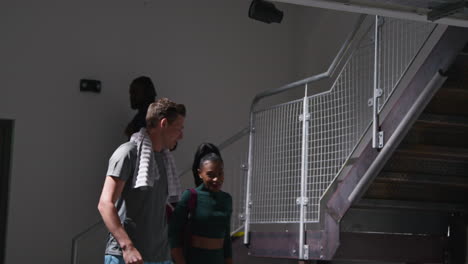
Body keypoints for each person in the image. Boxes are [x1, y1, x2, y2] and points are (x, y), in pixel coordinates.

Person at [98, 98, 186, 264]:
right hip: (127, 256)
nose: (181, 135)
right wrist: (127, 247)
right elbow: (105, 204)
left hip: (160, 256)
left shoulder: (166, 160)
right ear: (164, 123)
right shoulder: (127, 153)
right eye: (179, 129)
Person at [169, 143, 233, 264]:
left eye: (220, 173)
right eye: (210, 174)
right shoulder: (190, 196)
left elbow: (227, 240)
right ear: (200, 173)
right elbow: (173, 234)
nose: (216, 179)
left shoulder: (226, 199)